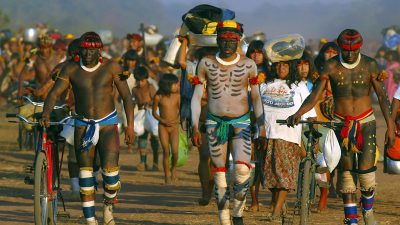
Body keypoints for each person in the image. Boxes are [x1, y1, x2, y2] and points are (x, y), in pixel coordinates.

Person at [287, 29, 395, 225]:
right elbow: (314, 95)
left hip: (366, 123)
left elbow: (382, 97)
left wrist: (390, 127)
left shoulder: (370, 64)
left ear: (360, 48)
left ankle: (368, 211)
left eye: (354, 50)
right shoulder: (331, 66)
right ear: (340, 48)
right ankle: (351, 219)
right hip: (340, 123)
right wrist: (298, 113)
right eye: (346, 50)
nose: (350, 54)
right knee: (346, 174)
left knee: (366, 174)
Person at [40, 32, 134, 225]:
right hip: (82, 124)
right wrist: (46, 114)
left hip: (108, 123)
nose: (88, 54)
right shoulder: (71, 68)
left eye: (92, 51)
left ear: (100, 50)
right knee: (85, 173)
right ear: (80, 50)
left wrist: (130, 126)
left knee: (111, 176)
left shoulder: (111, 67)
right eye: (85, 50)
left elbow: (127, 97)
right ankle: (90, 220)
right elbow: (54, 93)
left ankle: (108, 207)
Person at [191, 20, 266, 225]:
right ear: (217, 40)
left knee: (242, 171)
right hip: (214, 123)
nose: (227, 44)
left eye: (232, 40)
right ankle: (224, 219)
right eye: (223, 40)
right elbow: (197, 97)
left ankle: (238, 213)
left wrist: (261, 126)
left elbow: (257, 97)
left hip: (241, 122)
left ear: (238, 41)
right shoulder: (206, 63)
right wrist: (195, 125)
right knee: (220, 173)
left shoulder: (249, 65)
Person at [260, 59, 317, 222]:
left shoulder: (298, 86)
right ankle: (279, 204)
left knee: (284, 176)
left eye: (285, 65)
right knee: (269, 177)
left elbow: (310, 112)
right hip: (268, 135)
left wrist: (314, 136)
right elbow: (256, 110)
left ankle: (276, 211)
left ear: (290, 67)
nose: (281, 68)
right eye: (278, 64)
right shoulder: (264, 84)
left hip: (289, 136)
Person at [245, 40, 269, 212]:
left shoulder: (271, 72)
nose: (255, 55)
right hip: (245, 116)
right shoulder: (242, 70)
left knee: (263, 160)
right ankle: (253, 199)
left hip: (266, 119)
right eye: (252, 52)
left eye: (259, 52)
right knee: (251, 159)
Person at [152, 74, 180, 183]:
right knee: (166, 152)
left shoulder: (177, 96)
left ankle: (173, 169)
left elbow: (181, 111)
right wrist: (162, 120)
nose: (177, 86)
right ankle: (166, 174)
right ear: (167, 85)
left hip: (174, 127)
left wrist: (177, 120)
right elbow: (154, 112)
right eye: (174, 84)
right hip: (163, 127)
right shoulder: (158, 96)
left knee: (175, 151)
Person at [132, 66, 160, 171]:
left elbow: (156, 100)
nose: (140, 83)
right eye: (138, 81)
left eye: (142, 80)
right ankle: (143, 162)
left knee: (154, 138)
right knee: (142, 138)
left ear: (146, 79)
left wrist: (149, 104)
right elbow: (134, 101)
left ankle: (155, 163)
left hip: (151, 114)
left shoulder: (150, 87)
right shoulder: (134, 90)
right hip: (141, 115)